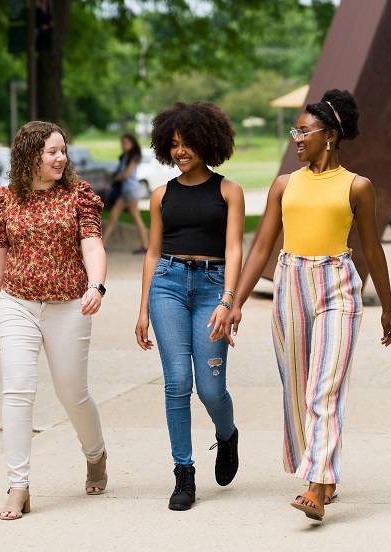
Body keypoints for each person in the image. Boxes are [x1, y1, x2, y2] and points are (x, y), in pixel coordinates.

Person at [219, 89, 391, 522]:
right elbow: (262, 247)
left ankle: (316, 484)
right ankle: (321, 470)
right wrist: (235, 302)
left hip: (337, 284)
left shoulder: (358, 187)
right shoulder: (285, 184)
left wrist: (387, 309)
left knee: (325, 388)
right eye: (295, 131)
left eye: (304, 131)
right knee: (298, 387)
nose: (297, 138)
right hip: (290, 283)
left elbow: (372, 251)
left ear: (330, 135)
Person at [0, 120, 109, 520]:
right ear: (30, 155)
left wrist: (97, 286)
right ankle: (18, 486)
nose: (60, 158)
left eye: (62, 150)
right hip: (16, 304)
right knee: (17, 393)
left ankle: (95, 453)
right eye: (52, 151)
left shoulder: (78, 196)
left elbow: (92, 244)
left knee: (72, 393)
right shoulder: (4, 201)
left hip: (70, 305)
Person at [134, 102, 245, 511]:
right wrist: (143, 309)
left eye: (188, 144)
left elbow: (235, 249)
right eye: (174, 145)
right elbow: (152, 252)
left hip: (214, 287)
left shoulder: (228, 191)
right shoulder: (161, 195)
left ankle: (228, 434)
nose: (180, 152)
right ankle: (184, 473)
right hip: (168, 286)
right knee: (177, 382)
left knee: (211, 388)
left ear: (207, 142)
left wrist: (229, 301)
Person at [104, 134, 150, 254]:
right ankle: (102, 245)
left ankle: (145, 246)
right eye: (122, 143)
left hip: (131, 191)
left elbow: (126, 174)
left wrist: (116, 178)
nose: (123, 145)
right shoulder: (125, 157)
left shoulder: (134, 157)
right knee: (113, 216)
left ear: (132, 143)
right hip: (126, 192)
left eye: (126, 143)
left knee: (136, 218)